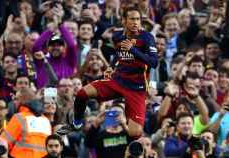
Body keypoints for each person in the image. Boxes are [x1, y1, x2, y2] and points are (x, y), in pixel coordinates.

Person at [58, 6, 158, 138]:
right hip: (117, 81)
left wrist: (133, 50)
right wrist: (111, 67)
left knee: (135, 133)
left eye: (138, 19)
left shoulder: (147, 38)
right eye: (132, 19)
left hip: (136, 88)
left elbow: (154, 62)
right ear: (123, 21)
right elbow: (119, 55)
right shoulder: (117, 37)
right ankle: (76, 123)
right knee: (82, 94)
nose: (135, 22)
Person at [0, 87, 52, 158]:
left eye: (16, 99)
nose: (14, 102)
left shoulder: (19, 117)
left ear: (24, 100)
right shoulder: (46, 120)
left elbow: (3, 143)